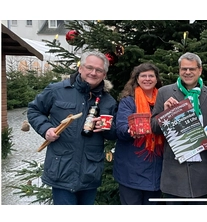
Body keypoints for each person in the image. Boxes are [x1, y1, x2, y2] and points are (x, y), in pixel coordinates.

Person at [27, 50, 118, 205]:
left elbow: (114, 133)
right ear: (80, 68)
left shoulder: (108, 101)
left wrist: (107, 128)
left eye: (99, 70)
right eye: (89, 67)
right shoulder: (57, 90)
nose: (93, 73)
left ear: (104, 74)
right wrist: (46, 129)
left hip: (90, 171)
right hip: (61, 168)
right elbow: (34, 110)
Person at [150, 52, 207, 205]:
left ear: (200, 70)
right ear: (179, 70)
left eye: (192, 69)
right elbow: (154, 127)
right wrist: (166, 114)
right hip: (174, 174)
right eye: (184, 69)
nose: (188, 72)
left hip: (201, 174)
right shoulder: (165, 93)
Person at [113, 63, 165, 205]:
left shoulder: (163, 100)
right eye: (143, 76)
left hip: (157, 167)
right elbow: (121, 127)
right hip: (131, 168)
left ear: (156, 79)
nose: (147, 79)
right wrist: (129, 131)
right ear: (137, 79)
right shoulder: (128, 101)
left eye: (151, 76)